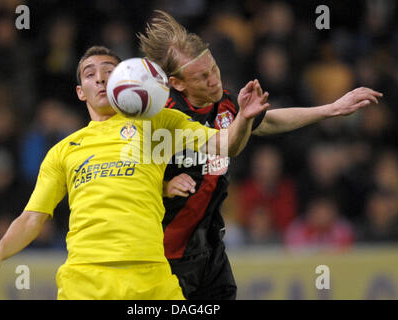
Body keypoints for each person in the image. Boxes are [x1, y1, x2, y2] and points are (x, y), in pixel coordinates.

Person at [0, 45, 269, 300]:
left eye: (109, 71)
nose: (99, 78)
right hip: (84, 281)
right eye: (90, 74)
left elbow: (224, 144)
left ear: (126, 79)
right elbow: (33, 217)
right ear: (80, 92)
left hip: (151, 279)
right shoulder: (64, 150)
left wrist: (243, 116)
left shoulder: (158, 123)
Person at [138, 10, 383, 300]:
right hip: (166, 254)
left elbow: (268, 122)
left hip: (209, 248)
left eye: (214, 69)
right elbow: (124, 176)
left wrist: (331, 109)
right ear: (177, 84)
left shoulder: (224, 104)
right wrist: (163, 186)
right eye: (202, 77)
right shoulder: (158, 118)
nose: (214, 80)